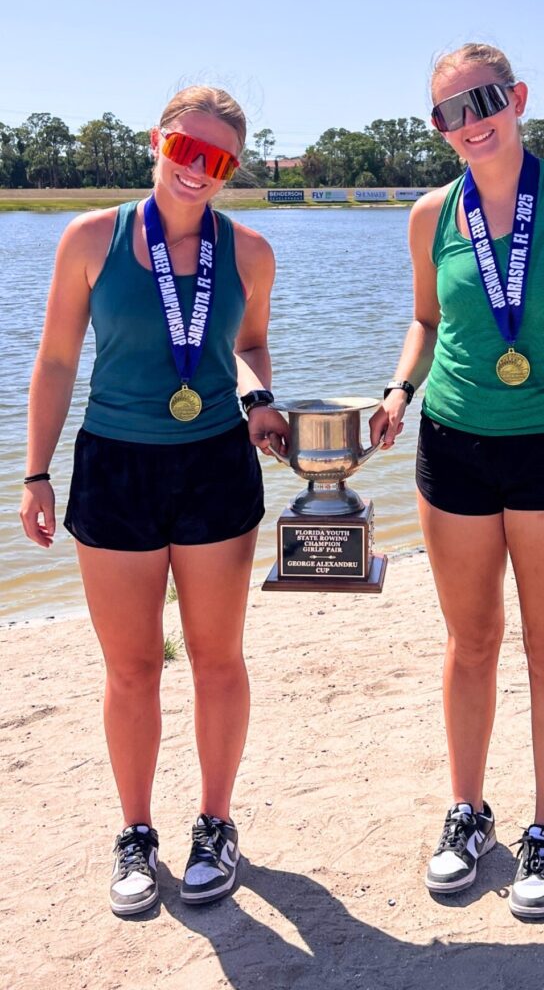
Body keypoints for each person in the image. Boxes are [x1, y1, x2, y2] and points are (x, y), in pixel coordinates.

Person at [370, 44, 544, 919]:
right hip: (451, 448)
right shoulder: (429, 214)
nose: (468, 123)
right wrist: (398, 389)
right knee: (470, 642)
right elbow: (424, 320)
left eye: (481, 101)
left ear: (517, 97)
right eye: (446, 113)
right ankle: (467, 815)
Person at [20, 86, 288, 917]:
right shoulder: (89, 238)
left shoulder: (250, 252)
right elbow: (56, 359)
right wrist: (35, 473)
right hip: (115, 468)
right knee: (132, 668)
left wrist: (260, 399)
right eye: (185, 149)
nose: (197, 170)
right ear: (157, 142)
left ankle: (215, 824)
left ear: (232, 170)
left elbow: (249, 344)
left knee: (216, 658)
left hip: (215, 466)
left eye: (218, 160)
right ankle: (135, 834)